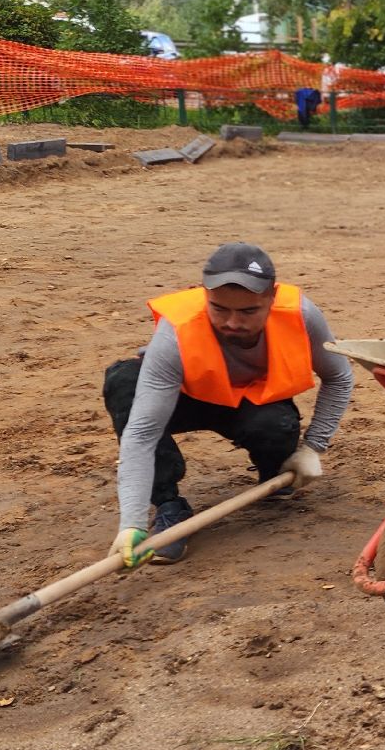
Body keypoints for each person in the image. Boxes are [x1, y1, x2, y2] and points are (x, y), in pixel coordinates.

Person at [104, 243, 355, 567]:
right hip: (184, 397)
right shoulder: (177, 331)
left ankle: (275, 471)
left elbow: (339, 377)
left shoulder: (301, 315)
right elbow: (142, 433)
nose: (233, 322)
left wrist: (313, 447)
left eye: (248, 311)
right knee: (124, 383)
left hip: (249, 403)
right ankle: (168, 506)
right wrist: (131, 524)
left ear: (271, 298)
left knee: (274, 426)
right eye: (219, 309)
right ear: (204, 295)